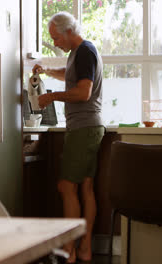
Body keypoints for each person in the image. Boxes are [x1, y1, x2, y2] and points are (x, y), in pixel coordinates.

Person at [32, 11, 104, 264]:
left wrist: (50, 97)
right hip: (90, 127)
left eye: (56, 38)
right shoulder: (80, 52)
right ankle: (83, 248)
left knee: (66, 186)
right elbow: (70, 75)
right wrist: (47, 71)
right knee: (85, 186)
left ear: (68, 32)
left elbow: (83, 93)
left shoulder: (84, 51)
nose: (55, 43)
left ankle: (70, 251)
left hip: (83, 128)